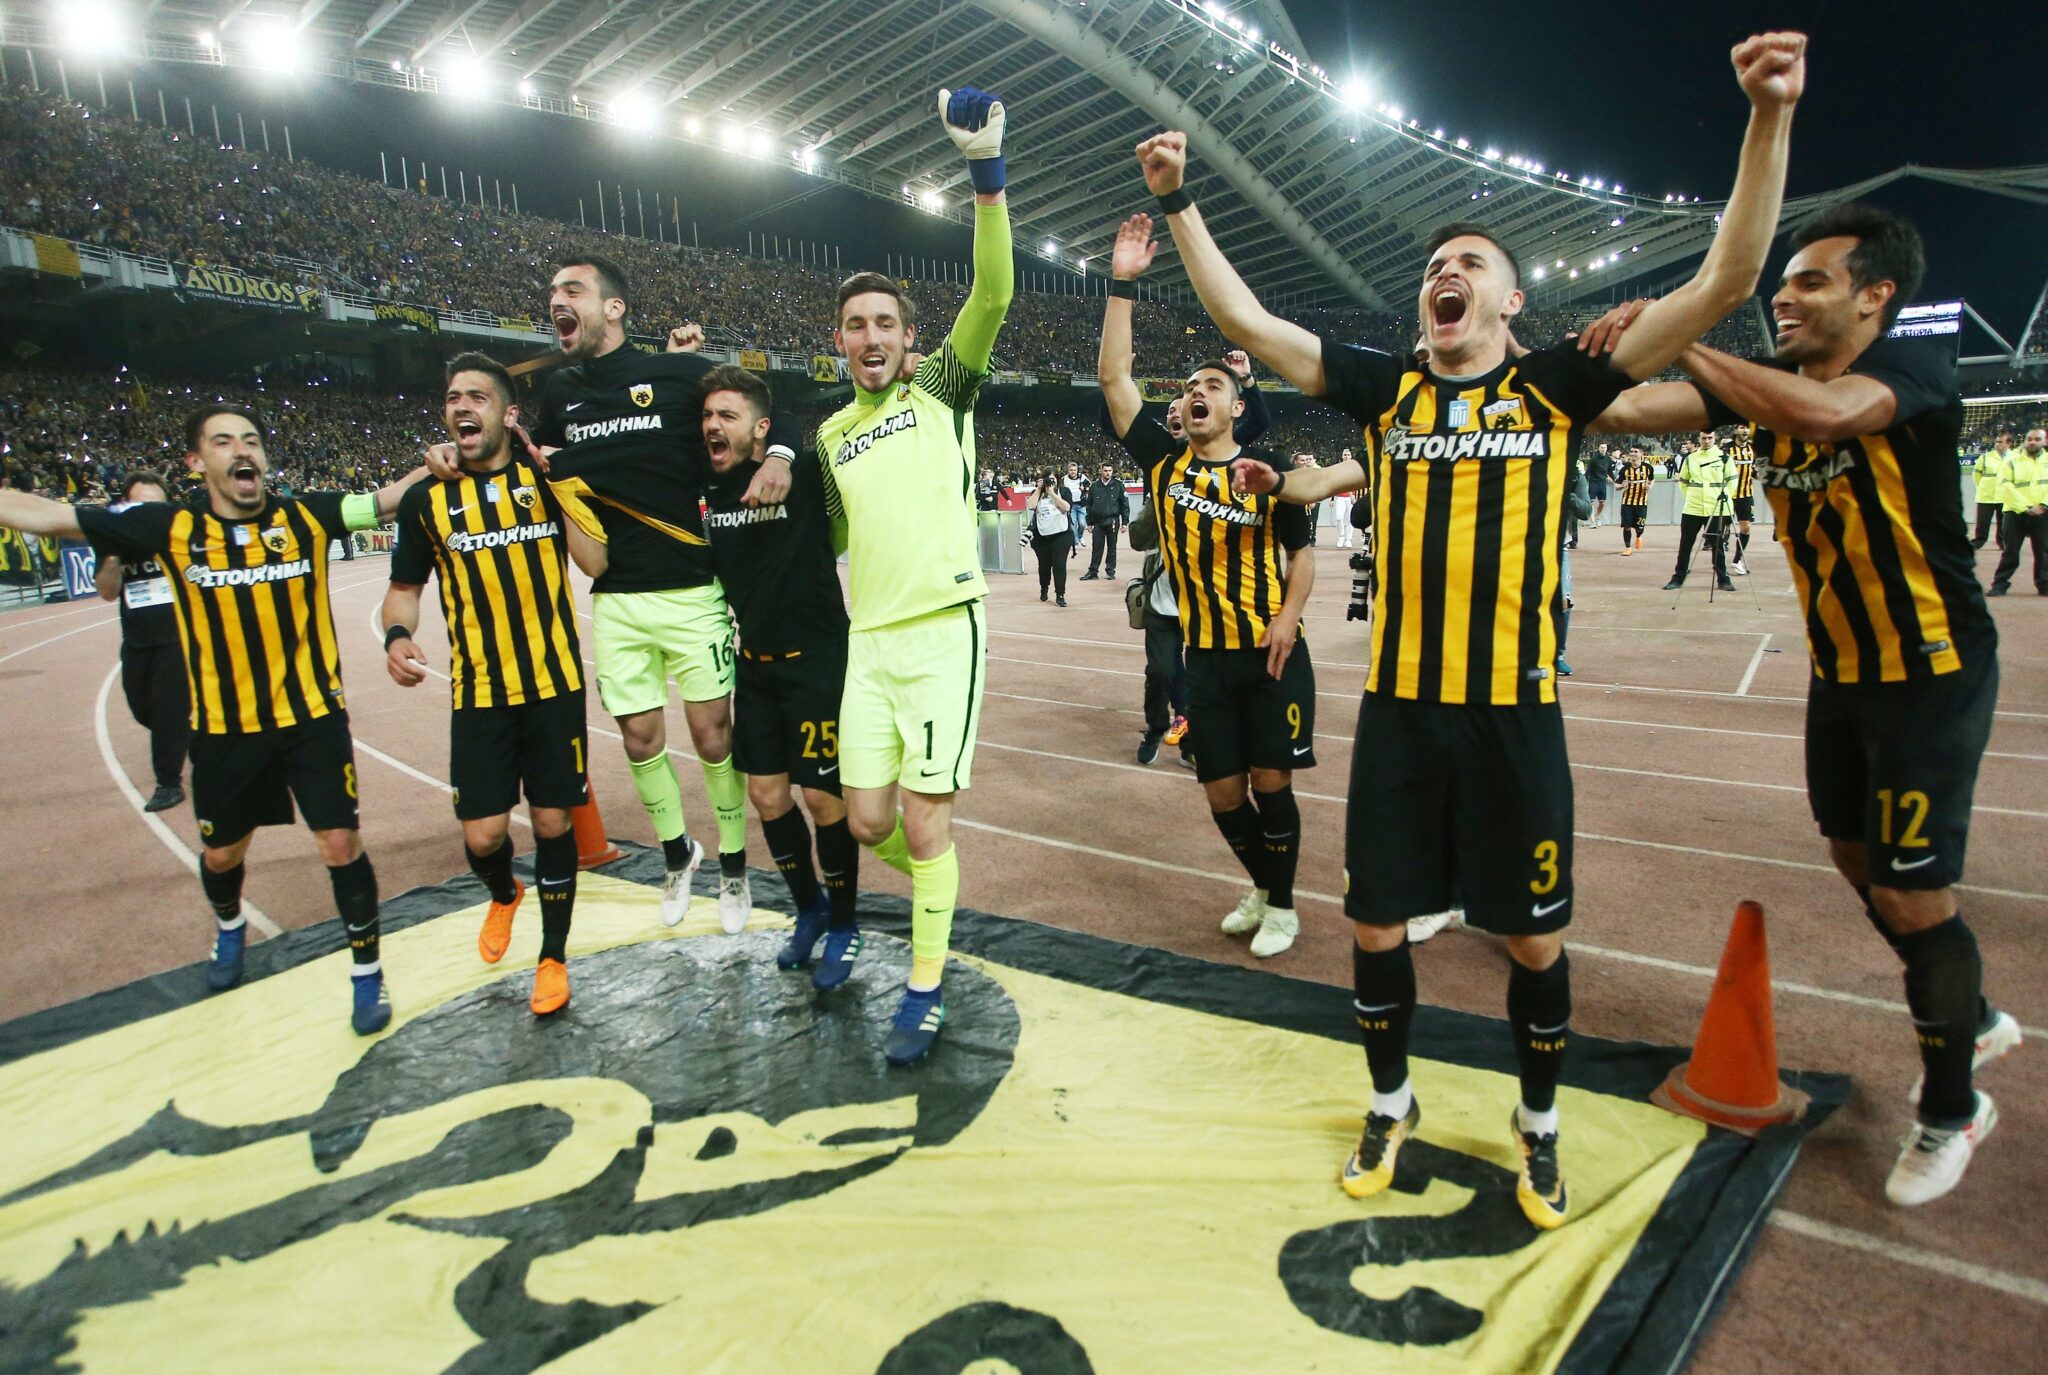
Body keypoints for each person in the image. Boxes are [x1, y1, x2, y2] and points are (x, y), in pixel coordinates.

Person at [1161, 28, 1805, 1229]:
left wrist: (1766, 115)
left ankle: (1537, 1123)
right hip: (1403, 713)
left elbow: (1724, 279)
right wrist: (1178, 199)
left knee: (1530, 940)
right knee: (1372, 923)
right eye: (1432, 264)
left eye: (1468, 262)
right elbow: (1243, 319)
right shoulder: (1382, 389)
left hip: (1514, 712)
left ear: (1509, 301)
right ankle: (1390, 1100)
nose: (1442, 271)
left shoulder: (1555, 385)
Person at [1584, 202, 2020, 1206]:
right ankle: (1969, 1009)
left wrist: (1679, 335)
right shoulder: (1760, 390)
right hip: (1840, 671)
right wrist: (1513, 361)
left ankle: (1953, 1105)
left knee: (1912, 890)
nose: (1782, 295)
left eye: (1810, 280)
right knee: (1854, 855)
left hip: (1929, 669)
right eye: (1781, 281)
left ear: (1874, 296)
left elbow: (1826, 416)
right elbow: (1619, 415)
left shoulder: (1911, 370)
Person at [0, 405, 429, 1033]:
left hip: (312, 719)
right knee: (224, 854)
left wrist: (438, 461)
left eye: (251, 440)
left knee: (340, 843)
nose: (241, 450)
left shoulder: (307, 516)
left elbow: (388, 498)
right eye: (223, 442)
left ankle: (367, 972)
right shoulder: (170, 526)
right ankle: (230, 925)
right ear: (197, 462)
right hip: (225, 731)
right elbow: (51, 516)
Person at [814, 84, 1014, 1066]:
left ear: (905, 336)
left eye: (884, 322)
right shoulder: (826, 435)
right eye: (856, 324)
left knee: (925, 826)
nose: (871, 336)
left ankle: (925, 990)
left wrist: (985, 173)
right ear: (840, 340)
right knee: (866, 822)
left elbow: (994, 296)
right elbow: (826, 537)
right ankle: (936, 879)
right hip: (869, 645)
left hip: (943, 633)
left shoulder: (941, 388)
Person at [516, 255, 794, 934]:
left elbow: (760, 410)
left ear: (614, 307)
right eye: (552, 292)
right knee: (640, 739)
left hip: (691, 588)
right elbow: (541, 468)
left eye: (573, 289)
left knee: (712, 736)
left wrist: (782, 454)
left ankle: (734, 865)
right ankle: (678, 854)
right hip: (615, 594)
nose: (557, 300)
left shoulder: (675, 374)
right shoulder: (559, 393)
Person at [1099, 212, 1316, 961]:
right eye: (1190, 386)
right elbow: (1114, 379)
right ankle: (1264, 884)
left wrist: (1288, 615)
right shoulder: (1163, 465)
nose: (1196, 392)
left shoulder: (1266, 470)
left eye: (1211, 386)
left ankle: (1281, 904)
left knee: (1271, 780)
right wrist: (1122, 283)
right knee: (1223, 793)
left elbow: (1302, 555)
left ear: (1235, 408)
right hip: (1208, 660)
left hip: (1271, 653)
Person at [382, 353, 595, 1016]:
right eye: (453, 397)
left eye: (477, 396)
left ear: (509, 413)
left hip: (554, 683)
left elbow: (596, 559)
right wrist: (397, 635)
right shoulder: (425, 499)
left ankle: (553, 956)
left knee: (554, 819)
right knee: (482, 836)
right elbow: (403, 590)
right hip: (478, 691)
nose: (462, 406)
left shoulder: (545, 477)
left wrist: (564, 485)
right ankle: (505, 893)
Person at [693, 365, 863, 983]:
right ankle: (809, 909)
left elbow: (796, 421)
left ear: (761, 427)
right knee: (766, 796)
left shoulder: (803, 472)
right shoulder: (707, 484)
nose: (712, 425)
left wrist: (784, 453)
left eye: (727, 415)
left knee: (822, 797)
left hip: (817, 660)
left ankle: (844, 922)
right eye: (708, 416)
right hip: (755, 667)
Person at [94, 471, 190, 812]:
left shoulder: (183, 536)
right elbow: (107, 592)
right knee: (143, 709)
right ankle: (190, 734)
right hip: (137, 641)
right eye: (140, 507)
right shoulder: (115, 542)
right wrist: (113, 555)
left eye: (156, 506)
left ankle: (168, 783)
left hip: (179, 640)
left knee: (168, 711)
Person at [1665, 429, 1738, 591]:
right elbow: (1684, 481)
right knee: (1685, 544)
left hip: (1715, 508)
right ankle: (1678, 578)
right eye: (1704, 438)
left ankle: (1723, 579)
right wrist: (1691, 496)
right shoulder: (1691, 458)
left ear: (1715, 438)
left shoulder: (1724, 458)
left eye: (1709, 438)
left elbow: (1732, 481)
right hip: (1693, 507)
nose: (1706, 441)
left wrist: (1723, 497)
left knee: (1717, 545)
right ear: (1699, 439)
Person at [1986, 427, 2046, 595]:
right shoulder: (2012, 460)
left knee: (2044, 552)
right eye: (2029, 439)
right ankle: (1999, 584)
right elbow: (2005, 486)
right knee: (2010, 551)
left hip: (2043, 513)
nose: (2032, 442)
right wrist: (2026, 507)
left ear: (2045, 441)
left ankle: (2044, 585)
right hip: (2015, 512)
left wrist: (2043, 505)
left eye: (2037, 439)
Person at [1078, 460, 1130, 581]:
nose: (1108, 473)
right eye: (1105, 470)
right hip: (1098, 521)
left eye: (1110, 471)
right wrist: (1089, 522)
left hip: (1112, 520)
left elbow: (1124, 505)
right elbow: (1089, 505)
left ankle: (1110, 570)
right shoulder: (1094, 486)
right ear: (1100, 471)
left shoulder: (1118, 485)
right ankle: (1093, 571)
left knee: (1112, 547)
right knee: (1097, 547)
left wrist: (1125, 522)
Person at [1026, 470, 1072, 605]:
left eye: (1052, 479)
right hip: (1042, 535)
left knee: (1059, 565)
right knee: (1044, 566)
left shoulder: (1064, 491)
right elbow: (1031, 505)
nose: (1049, 481)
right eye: (1046, 479)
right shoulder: (1037, 492)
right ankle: (1044, 588)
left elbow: (1066, 507)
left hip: (1061, 534)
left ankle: (1060, 594)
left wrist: (1052, 493)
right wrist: (1039, 489)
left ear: (1057, 479)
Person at [1971, 430, 2010, 549]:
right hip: (1986, 495)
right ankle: (1979, 540)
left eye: (2001, 442)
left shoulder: (2015, 458)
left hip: (2005, 496)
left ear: (2008, 443)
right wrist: (1982, 487)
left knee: (2003, 522)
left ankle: (2002, 542)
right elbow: (1976, 474)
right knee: (1982, 521)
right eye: (1997, 442)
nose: (1997, 444)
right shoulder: (1985, 457)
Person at [1617, 447, 1656, 555]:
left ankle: (1639, 535)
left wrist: (1650, 486)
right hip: (1627, 502)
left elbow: (1652, 479)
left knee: (1640, 527)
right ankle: (1628, 547)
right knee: (1627, 526)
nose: (1633, 454)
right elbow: (1617, 486)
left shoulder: (1648, 468)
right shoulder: (1624, 469)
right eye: (1631, 451)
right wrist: (1622, 485)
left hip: (1641, 502)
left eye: (1636, 452)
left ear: (1642, 453)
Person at [1728, 429, 1757, 573]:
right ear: (1736, 430)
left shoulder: (1753, 449)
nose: (1745, 430)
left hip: (1746, 495)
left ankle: (1737, 560)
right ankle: (1719, 562)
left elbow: (1754, 470)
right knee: (1723, 528)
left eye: (1747, 428)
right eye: (1741, 427)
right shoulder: (1726, 449)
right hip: (1728, 494)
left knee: (1746, 527)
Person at [1331, 448, 1358, 548]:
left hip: (1350, 497)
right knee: (1339, 517)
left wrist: (1354, 496)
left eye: (1348, 455)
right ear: (1342, 456)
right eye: (1345, 455)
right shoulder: (1338, 468)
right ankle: (1341, 536)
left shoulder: (1354, 468)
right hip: (1340, 497)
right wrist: (1332, 498)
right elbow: (1334, 484)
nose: (1346, 457)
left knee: (1350, 519)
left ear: (1351, 456)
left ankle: (1348, 539)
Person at [1586, 441, 1614, 528]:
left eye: (1605, 448)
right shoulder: (1593, 459)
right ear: (1599, 448)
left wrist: (1615, 479)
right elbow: (1588, 471)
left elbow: (1610, 470)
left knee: (1602, 502)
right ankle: (1592, 521)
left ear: (1606, 449)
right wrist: (1585, 481)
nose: (1603, 449)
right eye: (1602, 447)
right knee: (1591, 502)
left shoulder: (1607, 458)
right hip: (1593, 482)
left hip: (1602, 483)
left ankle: (1596, 516)